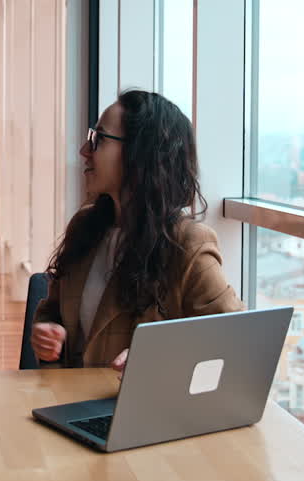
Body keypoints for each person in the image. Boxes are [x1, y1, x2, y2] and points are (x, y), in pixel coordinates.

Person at [30, 89, 244, 372]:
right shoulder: (85, 226)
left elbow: (235, 338)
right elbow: (54, 310)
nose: (84, 150)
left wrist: (158, 354)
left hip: (138, 412)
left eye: (99, 139)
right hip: (67, 405)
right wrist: (48, 332)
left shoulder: (187, 244)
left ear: (139, 154)